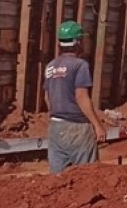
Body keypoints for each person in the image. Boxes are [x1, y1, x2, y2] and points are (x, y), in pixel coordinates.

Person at [44, 21, 106, 174]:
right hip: (77, 127)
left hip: (55, 127)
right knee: (87, 175)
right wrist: (97, 125)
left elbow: (47, 97)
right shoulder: (80, 65)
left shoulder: (50, 66)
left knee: (57, 178)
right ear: (78, 42)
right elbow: (81, 96)